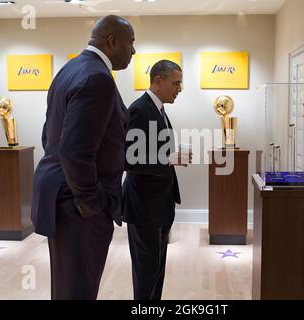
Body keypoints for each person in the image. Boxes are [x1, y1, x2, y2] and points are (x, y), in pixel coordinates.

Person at [31, 15, 135, 300]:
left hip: (63, 197)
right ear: (112, 41)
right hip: (77, 206)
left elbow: (49, 136)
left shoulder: (71, 68)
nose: (134, 51)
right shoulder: (97, 77)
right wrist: (92, 203)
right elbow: (74, 151)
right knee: (78, 289)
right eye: (131, 43)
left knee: (68, 286)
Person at [123, 59, 191, 300]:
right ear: (157, 80)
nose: (179, 89)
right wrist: (170, 158)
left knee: (156, 269)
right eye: (176, 83)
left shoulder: (159, 109)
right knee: (146, 271)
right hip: (144, 207)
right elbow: (128, 160)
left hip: (159, 205)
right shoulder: (139, 109)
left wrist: (172, 155)